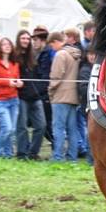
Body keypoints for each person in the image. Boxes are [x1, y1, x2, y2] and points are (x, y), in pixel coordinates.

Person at [0, 38, 23, 158]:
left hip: (14, 98)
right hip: (0, 100)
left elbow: (16, 78)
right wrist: (7, 82)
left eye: (9, 44)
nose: (7, 46)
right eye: (4, 44)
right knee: (6, 128)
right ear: (0, 47)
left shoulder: (14, 63)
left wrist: (19, 83)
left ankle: (8, 154)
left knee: (12, 130)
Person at [47, 31, 81, 162]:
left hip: (60, 97)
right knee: (72, 129)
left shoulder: (60, 54)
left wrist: (50, 91)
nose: (52, 48)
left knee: (59, 128)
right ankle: (72, 157)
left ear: (55, 42)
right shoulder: (75, 54)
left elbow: (56, 76)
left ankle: (58, 156)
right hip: (73, 97)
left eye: (51, 45)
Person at [15, 30, 47, 160]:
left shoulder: (33, 56)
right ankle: (22, 153)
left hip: (35, 97)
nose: (26, 41)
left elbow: (39, 75)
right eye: (23, 38)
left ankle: (33, 153)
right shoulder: (14, 56)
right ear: (19, 39)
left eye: (28, 39)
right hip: (21, 97)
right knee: (21, 127)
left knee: (41, 125)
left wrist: (38, 90)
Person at [31, 26, 55, 153]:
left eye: (35, 39)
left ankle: (56, 146)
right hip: (40, 93)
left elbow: (46, 76)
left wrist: (38, 91)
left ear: (42, 40)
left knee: (46, 124)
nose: (34, 42)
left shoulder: (47, 54)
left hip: (44, 94)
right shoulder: (39, 53)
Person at [64, 28, 87, 158]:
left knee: (76, 123)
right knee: (79, 123)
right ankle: (81, 146)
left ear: (72, 38)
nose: (65, 39)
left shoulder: (70, 52)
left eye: (67, 36)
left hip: (74, 91)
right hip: (77, 91)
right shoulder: (81, 51)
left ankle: (81, 146)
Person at [78, 48, 96, 165]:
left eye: (94, 54)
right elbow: (82, 89)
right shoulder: (85, 70)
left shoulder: (99, 68)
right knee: (90, 133)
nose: (92, 56)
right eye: (90, 54)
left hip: (99, 106)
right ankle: (91, 160)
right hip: (89, 106)